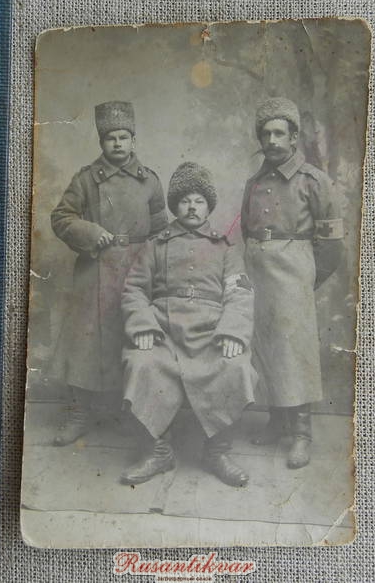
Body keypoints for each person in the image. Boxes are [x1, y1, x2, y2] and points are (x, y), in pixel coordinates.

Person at [120, 162, 256, 487]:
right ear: (174, 206)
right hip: (163, 332)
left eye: (199, 201)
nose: (192, 207)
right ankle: (159, 451)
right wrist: (143, 326)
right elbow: (134, 289)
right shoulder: (156, 245)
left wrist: (232, 332)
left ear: (209, 206)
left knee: (235, 365)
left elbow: (239, 292)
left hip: (212, 333)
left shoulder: (225, 248)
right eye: (184, 201)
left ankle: (217, 452)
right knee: (142, 363)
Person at [50, 101, 168, 446]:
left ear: (133, 140)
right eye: (110, 138)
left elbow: (161, 229)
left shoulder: (149, 181)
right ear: (101, 142)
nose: (117, 143)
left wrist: (155, 267)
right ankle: (79, 413)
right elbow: (61, 217)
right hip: (96, 268)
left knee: (132, 336)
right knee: (85, 341)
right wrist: (90, 232)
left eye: (123, 137)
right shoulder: (86, 179)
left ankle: (128, 412)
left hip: (137, 269)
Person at [241, 97, 344, 469]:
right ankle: (276, 422)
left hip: (294, 273)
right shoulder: (255, 182)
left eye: (279, 133)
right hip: (260, 273)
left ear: (294, 136)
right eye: (265, 134)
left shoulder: (313, 181)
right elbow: (246, 228)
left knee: (295, 352)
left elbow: (331, 245)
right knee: (267, 348)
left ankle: (301, 434)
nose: (271, 140)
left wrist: (304, 279)